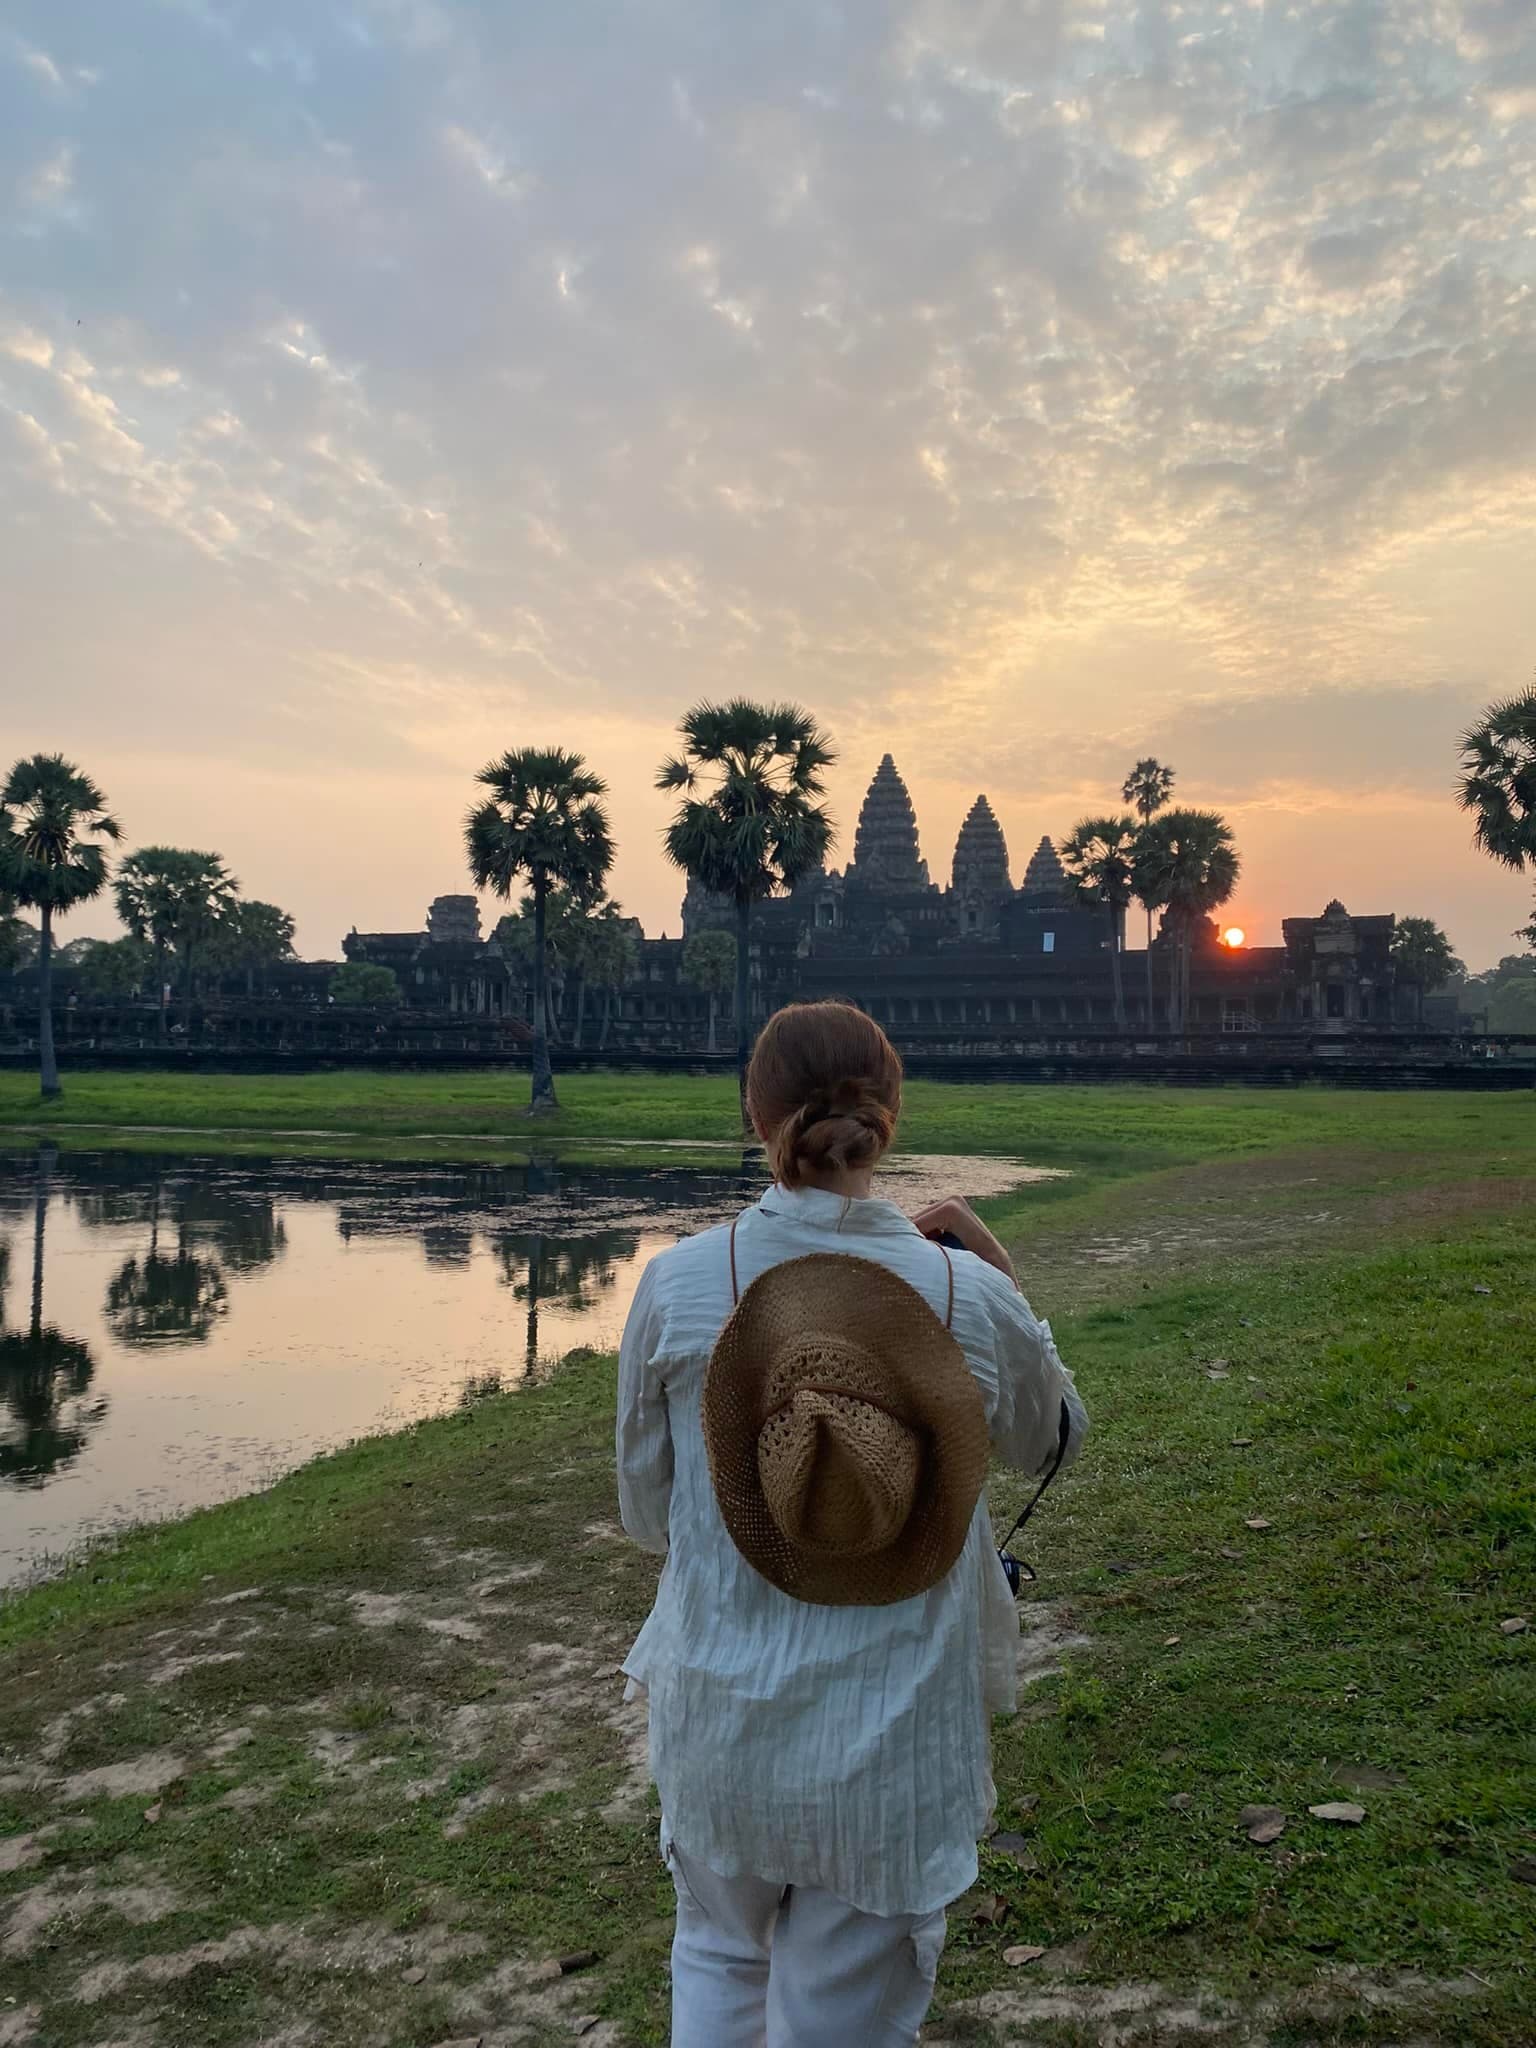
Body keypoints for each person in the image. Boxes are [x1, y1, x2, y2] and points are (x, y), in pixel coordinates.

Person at [617, 1000, 1086, 2047]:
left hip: (718, 1724)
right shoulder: (964, 1291)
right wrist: (1002, 1284)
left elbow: (649, 1516)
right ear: (890, 1113)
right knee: (841, 2019)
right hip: (890, 1743)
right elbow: (1052, 1439)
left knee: (718, 1955)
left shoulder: (679, 1285)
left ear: (756, 1110)